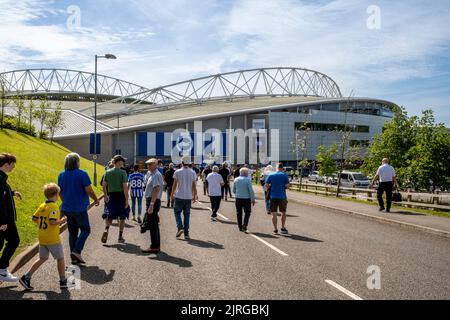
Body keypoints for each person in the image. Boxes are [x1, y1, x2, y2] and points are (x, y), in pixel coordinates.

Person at [19, 183, 68, 290]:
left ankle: (26, 277)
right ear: (56, 194)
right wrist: (63, 220)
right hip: (52, 238)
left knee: (43, 258)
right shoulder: (54, 206)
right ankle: (63, 280)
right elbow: (52, 221)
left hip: (42, 237)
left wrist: (43, 222)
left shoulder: (42, 205)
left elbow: (34, 218)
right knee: (60, 258)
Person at [58, 152, 99, 265]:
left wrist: (65, 201)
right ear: (76, 162)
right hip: (79, 208)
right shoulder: (82, 174)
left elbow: (59, 192)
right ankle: (76, 251)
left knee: (72, 233)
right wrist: (96, 199)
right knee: (86, 229)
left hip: (67, 208)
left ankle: (74, 257)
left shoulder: (61, 175)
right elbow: (89, 190)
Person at [0, 153, 21, 283]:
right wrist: (3, 221)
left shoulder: (2, 178)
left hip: (4, 219)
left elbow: (2, 194)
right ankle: (2, 270)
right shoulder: (0, 179)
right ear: (7, 164)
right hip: (4, 220)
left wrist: (12, 193)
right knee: (14, 241)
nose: (14, 167)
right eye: (13, 164)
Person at [102, 155, 129, 244]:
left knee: (109, 214)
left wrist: (106, 195)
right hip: (120, 196)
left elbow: (104, 185)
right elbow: (125, 187)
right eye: (122, 161)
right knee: (122, 216)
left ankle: (106, 229)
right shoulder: (123, 172)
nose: (123, 162)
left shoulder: (108, 172)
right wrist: (126, 200)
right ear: (118, 162)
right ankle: (120, 236)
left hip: (111, 196)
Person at [141, 159, 164, 254]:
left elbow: (156, 189)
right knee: (153, 224)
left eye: (150, 164)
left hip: (153, 201)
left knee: (153, 225)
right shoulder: (152, 174)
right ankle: (155, 245)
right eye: (147, 164)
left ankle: (154, 246)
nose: (148, 166)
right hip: (152, 201)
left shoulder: (156, 175)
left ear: (155, 165)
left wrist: (151, 205)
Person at [171, 157, 197, 240]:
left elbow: (174, 184)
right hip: (188, 196)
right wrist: (194, 195)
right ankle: (186, 234)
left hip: (179, 195)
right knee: (187, 215)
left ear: (182, 162)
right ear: (189, 163)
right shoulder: (192, 172)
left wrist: (172, 194)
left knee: (177, 212)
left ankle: (180, 227)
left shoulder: (177, 172)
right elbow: (194, 185)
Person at [266, 163, 290, 235]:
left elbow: (266, 185)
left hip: (273, 196)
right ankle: (282, 228)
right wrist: (283, 187)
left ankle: (275, 229)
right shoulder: (284, 175)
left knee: (274, 213)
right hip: (282, 196)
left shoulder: (271, 175)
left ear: (276, 168)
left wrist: (270, 187)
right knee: (283, 212)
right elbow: (287, 186)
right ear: (282, 168)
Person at [232, 168, 256, 233]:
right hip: (246, 198)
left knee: (239, 212)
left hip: (238, 198)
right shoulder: (248, 180)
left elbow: (233, 190)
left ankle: (239, 226)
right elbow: (251, 191)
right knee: (247, 212)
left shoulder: (236, 179)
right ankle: (245, 225)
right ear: (246, 173)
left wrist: (238, 193)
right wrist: (253, 199)